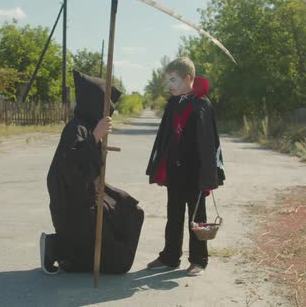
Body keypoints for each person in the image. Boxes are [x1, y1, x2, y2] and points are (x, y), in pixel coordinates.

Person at [41, 70, 145, 275]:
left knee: (131, 212)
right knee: (109, 261)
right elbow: (72, 170)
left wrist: (97, 141)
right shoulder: (76, 129)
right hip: (73, 204)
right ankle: (54, 247)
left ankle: (60, 247)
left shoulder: (85, 125)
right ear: (94, 104)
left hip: (88, 195)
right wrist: (95, 137)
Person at [145, 56, 225, 276]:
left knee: (197, 218)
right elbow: (166, 138)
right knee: (174, 215)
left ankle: (199, 260)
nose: (169, 85)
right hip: (175, 171)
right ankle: (170, 257)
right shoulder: (173, 104)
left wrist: (208, 178)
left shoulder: (203, 104)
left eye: (173, 80)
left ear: (188, 79)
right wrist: (161, 166)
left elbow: (209, 144)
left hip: (196, 172)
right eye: (168, 81)